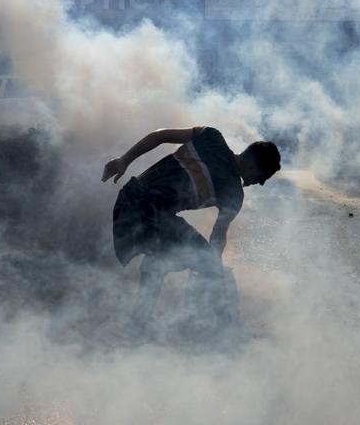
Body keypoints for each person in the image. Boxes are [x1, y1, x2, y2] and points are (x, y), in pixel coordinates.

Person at [102, 126, 281, 341]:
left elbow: (159, 136)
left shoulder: (211, 136)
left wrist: (125, 160)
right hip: (146, 211)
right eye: (262, 176)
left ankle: (140, 322)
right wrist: (213, 267)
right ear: (252, 165)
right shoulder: (233, 192)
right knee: (199, 259)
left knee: (160, 260)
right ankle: (204, 329)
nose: (260, 183)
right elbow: (218, 235)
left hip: (128, 203)